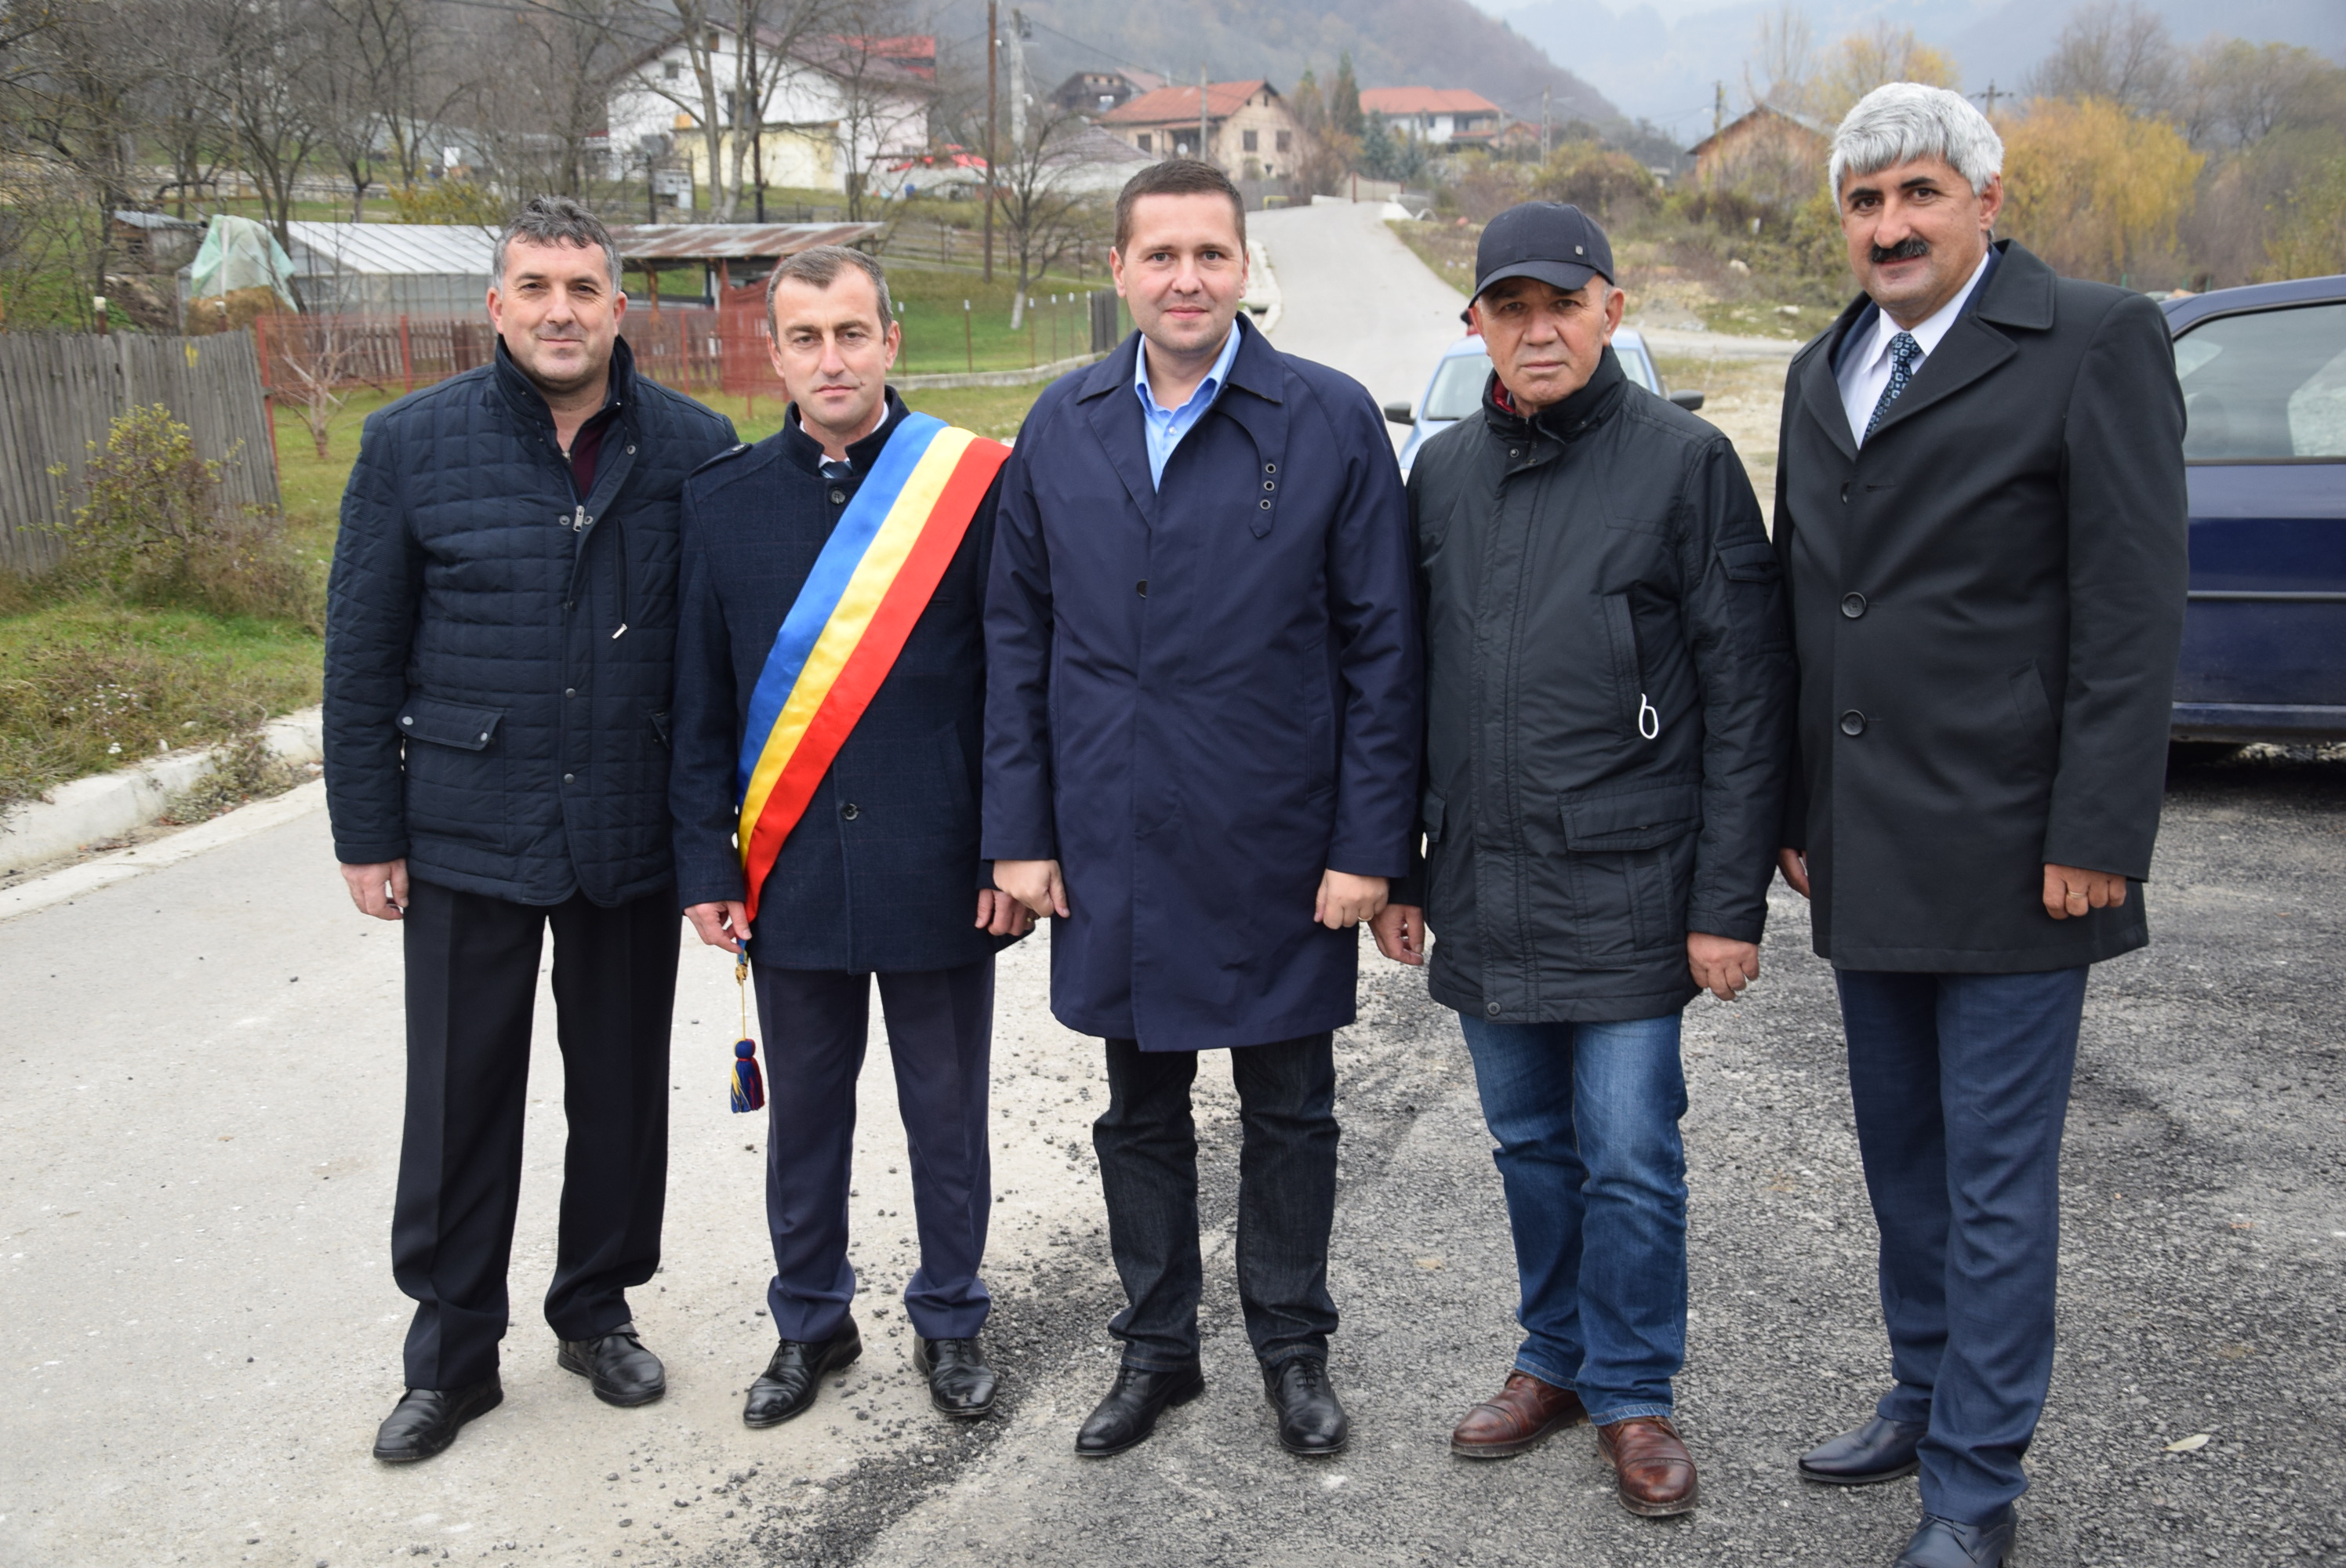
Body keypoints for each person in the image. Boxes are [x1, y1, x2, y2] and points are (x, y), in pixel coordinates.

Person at [1773, 85, 2187, 1568]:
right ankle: (1923, 1389)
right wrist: (1796, 808)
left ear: (1986, 202)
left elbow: (2132, 608)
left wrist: (2101, 830)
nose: (1889, 226)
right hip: (1867, 842)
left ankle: (1973, 1484)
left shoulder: (2095, 339)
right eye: (1865, 202)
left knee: (1996, 1182)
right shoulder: (1824, 366)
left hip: (2021, 851)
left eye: (1919, 194)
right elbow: (1808, 600)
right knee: (1904, 1160)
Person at [982, 158, 1422, 1460]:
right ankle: (1158, 1350)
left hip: (1279, 837)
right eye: (1161, 255)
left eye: (1211, 255)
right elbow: (1018, 637)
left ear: (1244, 269)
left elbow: (1384, 649)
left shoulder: (1329, 419)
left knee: (1290, 1110)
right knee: (1139, 1110)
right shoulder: (1061, 424)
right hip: (1113, 832)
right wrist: (1020, 831)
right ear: (1119, 269)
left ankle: (1292, 1349)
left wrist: (1370, 848)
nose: (1187, 279)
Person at [1371, 202, 1795, 1518]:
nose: (1538, 329)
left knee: (1629, 1155)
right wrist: (1402, 870)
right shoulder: (1442, 474)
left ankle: (1632, 1389)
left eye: (1563, 303)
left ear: (1613, 307)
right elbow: (1400, 689)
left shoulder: (1686, 464)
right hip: (1484, 879)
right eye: (1512, 308)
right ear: (1476, 324)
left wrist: (1727, 905)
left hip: (1629, 883)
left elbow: (1748, 697)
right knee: (1528, 1147)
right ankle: (1553, 1358)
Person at [325, 196, 738, 1462]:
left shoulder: (694, 447)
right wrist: (366, 833)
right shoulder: (410, 444)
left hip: (626, 825)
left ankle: (595, 1310)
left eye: (583, 289)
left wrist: (709, 844)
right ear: (496, 306)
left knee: (619, 1091)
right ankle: (451, 1358)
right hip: (466, 826)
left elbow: (712, 670)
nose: (562, 312)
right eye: (536, 289)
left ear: (619, 305)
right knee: (459, 1102)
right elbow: (361, 654)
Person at [670, 245, 1028, 1431]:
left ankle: (952, 1319)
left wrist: (1007, 849)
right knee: (807, 1123)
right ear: (774, 354)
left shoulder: (975, 486)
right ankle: (811, 1322)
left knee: (947, 1119)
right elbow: (698, 705)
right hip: (793, 876)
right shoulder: (721, 503)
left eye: (852, 333)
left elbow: (1015, 689)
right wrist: (707, 865)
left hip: (943, 869)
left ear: (891, 341)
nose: (833, 358)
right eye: (807, 338)